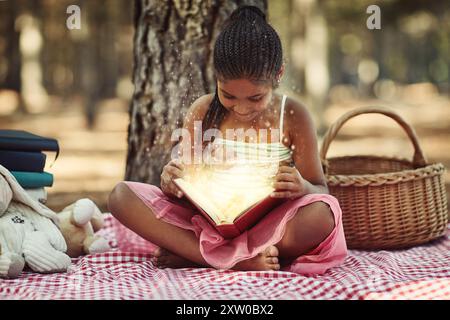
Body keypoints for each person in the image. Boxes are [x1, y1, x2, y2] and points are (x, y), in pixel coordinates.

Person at [108, 5, 347, 274]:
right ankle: (237, 259)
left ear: (278, 75)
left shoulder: (292, 115)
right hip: (207, 224)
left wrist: (302, 187)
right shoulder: (201, 109)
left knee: (324, 213)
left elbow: (320, 189)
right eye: (229, 96)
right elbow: (189, 182)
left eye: (256, 98)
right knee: (121, 196)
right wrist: (171, 183)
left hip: (269, 227)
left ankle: (200, 256)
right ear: (217, 78)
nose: (242, 108)